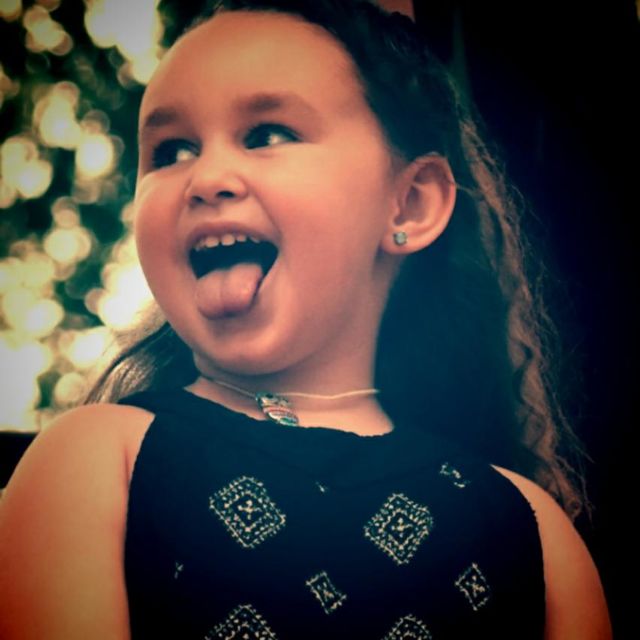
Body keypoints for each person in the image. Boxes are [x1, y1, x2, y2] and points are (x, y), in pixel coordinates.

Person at [0, 0, 611, 638]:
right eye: (171, 150)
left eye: (267, 135)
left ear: (410, 203)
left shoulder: (536, 531)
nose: (205, 178)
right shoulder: (99, 462)